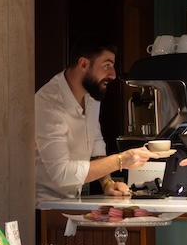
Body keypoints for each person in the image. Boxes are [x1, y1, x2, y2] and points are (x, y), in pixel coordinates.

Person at [35, 34, 151, 207]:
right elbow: (62, 174)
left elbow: (95, 141)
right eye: (107, 66)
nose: (112, 75)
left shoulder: (91, 95)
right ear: (83, 64)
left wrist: (107, 183)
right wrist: (121, 160)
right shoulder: (48, 107)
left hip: (74, 200)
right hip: (43, 207)